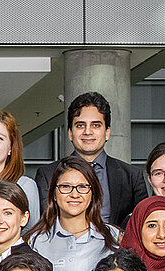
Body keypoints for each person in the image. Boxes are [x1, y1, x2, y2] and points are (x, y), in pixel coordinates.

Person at [25, 155, 116, 271]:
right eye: (66, 187)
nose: (74, 194)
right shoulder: (35, 241)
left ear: (93, 193)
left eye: (83, 187)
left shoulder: (112, 239)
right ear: (54, 194)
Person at [33, 93, 146, 230]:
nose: (88, 132)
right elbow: (47, 223)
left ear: (107, 132)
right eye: (80, 125)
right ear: (70, 133)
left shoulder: (131, 176)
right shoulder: (47, 175)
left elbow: (141, 225)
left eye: (96, 125)